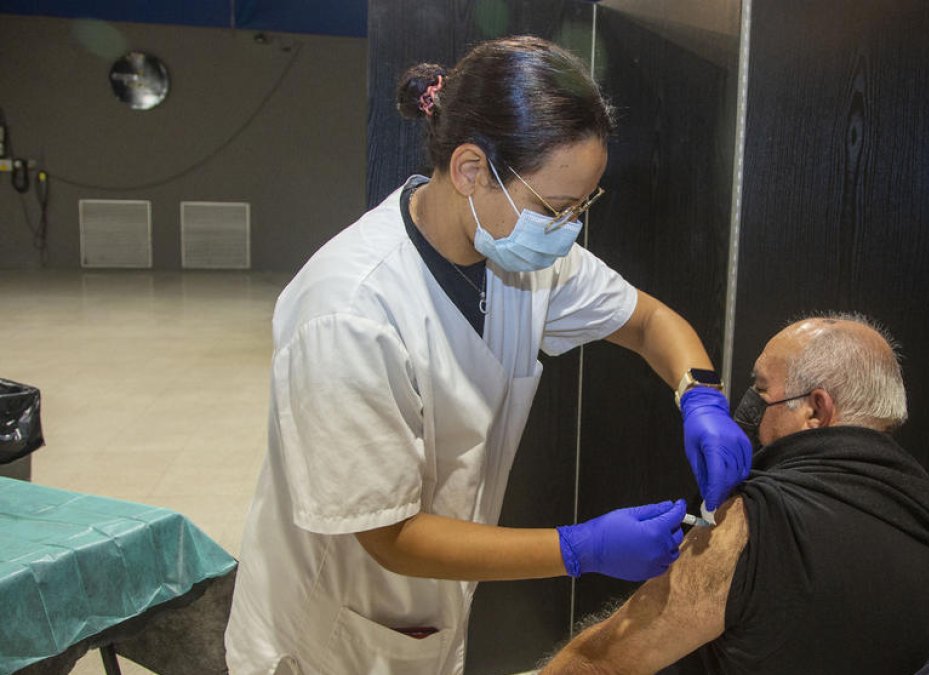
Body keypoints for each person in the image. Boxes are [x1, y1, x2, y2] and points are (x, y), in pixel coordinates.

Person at [224, 36, 751, 675]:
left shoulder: (517, 255)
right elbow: (390, 535)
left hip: (429, 612)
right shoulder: (349, 312)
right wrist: (580, 548)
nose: (567, 230)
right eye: (555, 208)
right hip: (330, 630)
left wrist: (700, 397)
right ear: (472, 170)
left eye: (582, 207)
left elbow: (648, 323)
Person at [542, 313, 929, 674]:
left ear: (815, 409)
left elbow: (603, 663)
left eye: (761, 390)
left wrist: (579, 548)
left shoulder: (757, 522)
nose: (748, 407)